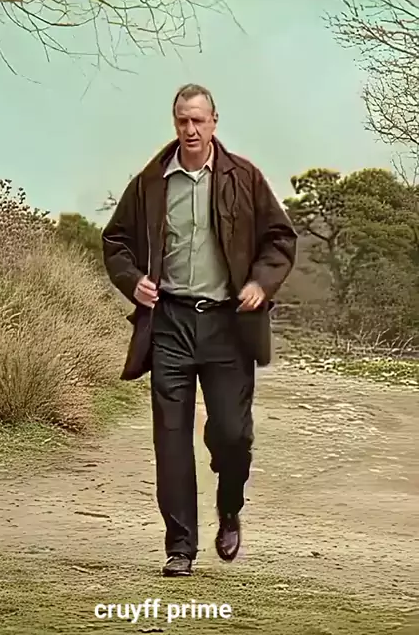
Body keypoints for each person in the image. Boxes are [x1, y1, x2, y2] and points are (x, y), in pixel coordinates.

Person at [101, 83, 297, 577]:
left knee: (232, 434)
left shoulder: (244, 177)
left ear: (214, 122)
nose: (190, 129)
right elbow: (116, 241)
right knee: (171, 439)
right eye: (182, 121)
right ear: (175, 123)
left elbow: (280, 238)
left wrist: (260, 283)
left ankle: (229, 507)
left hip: (228, 325)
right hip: (169, 322)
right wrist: (133, 280)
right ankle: (180, 547)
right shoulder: (151, 181)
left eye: (198, 121)